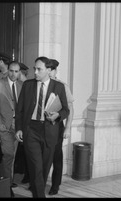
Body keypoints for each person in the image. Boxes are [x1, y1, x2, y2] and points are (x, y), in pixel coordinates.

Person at [15, 56, 70, 197]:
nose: (35, 72)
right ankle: (39, 194)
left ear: (49, 70)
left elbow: (66, 110)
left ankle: (37, 189)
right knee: (36, 166)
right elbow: (19, 109)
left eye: (39, 69)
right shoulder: (28, 85)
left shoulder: (59, 87)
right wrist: (19, 128)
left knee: (45, 167)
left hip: (50, 131)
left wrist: (57, 115)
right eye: (35, 68)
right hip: (31, 130)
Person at [0, 61, 23, 190]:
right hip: (4, 125)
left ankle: (7, 180)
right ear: (7, 70)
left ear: (19, 72)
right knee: (8, 154)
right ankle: (5, 184)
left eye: (16, 71)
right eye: (11, 71)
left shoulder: (22, 85)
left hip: (18, 126)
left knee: (11, 155)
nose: (13, 74)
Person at [48, 59, 74, 195]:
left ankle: (55, 185)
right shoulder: (40, 84)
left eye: (52, 69)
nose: (50, 72)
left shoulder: (62, 86)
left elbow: (70, 108)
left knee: (56, 156)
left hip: (57, 125)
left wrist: (68, 127)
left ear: (55, 70)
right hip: (42, 126)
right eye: (48, 69)